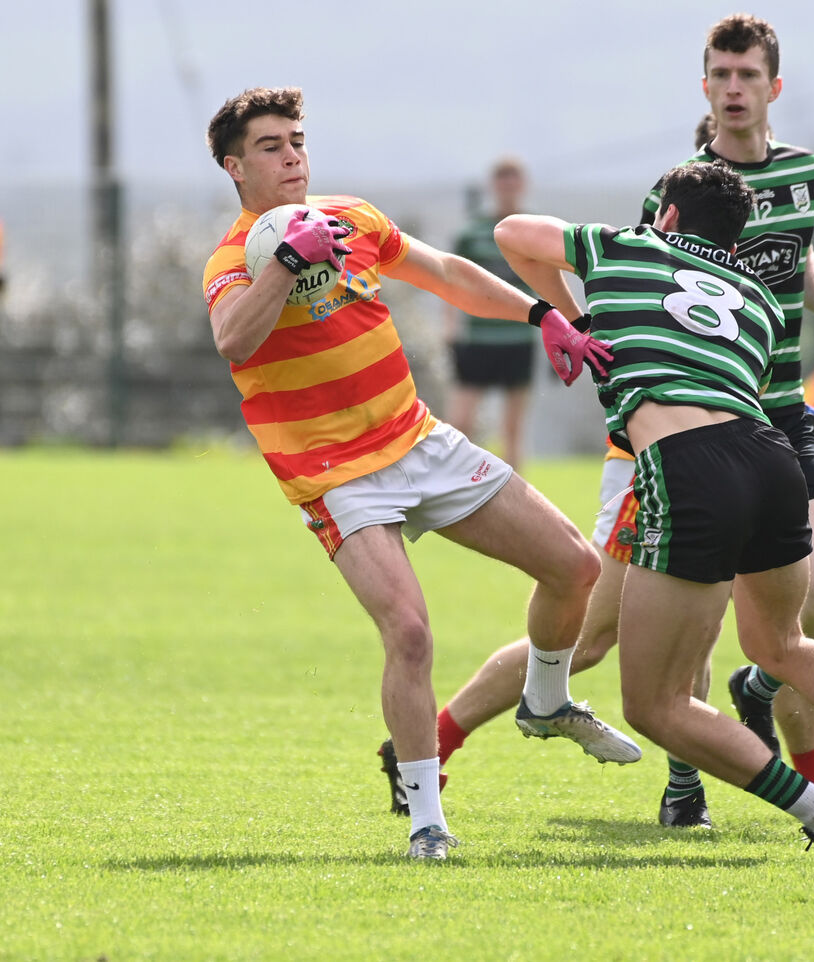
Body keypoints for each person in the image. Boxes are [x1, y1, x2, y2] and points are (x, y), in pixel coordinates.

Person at [200, 86, 638, 861]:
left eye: (297, 140)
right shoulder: (233, 262)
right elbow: (235, 339)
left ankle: (544, 700)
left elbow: (446, 274)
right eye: (270, 146)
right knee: (408, 632)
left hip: (418, 441)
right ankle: (426, 822)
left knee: (575, 568)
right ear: (235, 168)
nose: (292, 156)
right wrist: (288, 263)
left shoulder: (353, 218)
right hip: (334, 475)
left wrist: (544, 317)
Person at [494, 159, 814, 859]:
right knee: (783, 645)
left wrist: (574, 318)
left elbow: (512, 233)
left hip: (689, 468)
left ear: (668, 215)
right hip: (774, 462)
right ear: (736, 241)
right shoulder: (759, 299)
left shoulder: (626, 245)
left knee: (653, 704)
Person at [641, 13, 814, 818]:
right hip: (705, 421)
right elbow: (645, 284)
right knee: (697, 616)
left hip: (783, 412)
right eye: (720, 75)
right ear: (704, 86)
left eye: (747, 75)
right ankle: (686, 781)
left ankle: (759, 684)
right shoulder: (679, 191)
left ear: (773, 86)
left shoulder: (805, 173)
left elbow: (796, 252)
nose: (733, 88)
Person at [445, 157, 540, 472]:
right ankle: (459, 485)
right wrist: (451, 330)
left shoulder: (537, 230)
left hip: (519, 338)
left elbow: (551, 283)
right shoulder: (473, 233)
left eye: (513, 178)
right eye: (502, 178)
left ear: (522, 184)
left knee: (512, 430)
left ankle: (519, 497)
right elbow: (451, 280)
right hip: (478, 339)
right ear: (493, 185)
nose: (508, 185)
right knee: (460, 422)